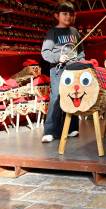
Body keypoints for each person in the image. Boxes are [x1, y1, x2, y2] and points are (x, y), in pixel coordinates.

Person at [41, 1, 84, 143]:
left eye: (71, 14)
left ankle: (72, 128)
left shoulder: (75, 32)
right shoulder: (52, 33)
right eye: (64, 14)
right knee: (56, 98)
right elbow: (45, 53)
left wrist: (80, 62)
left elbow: (81, 52)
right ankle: (50, 131)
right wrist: (58, 57)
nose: (68, 17)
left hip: (73, 70)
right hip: (58, 71)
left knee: (73, 96)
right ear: (56, 15)